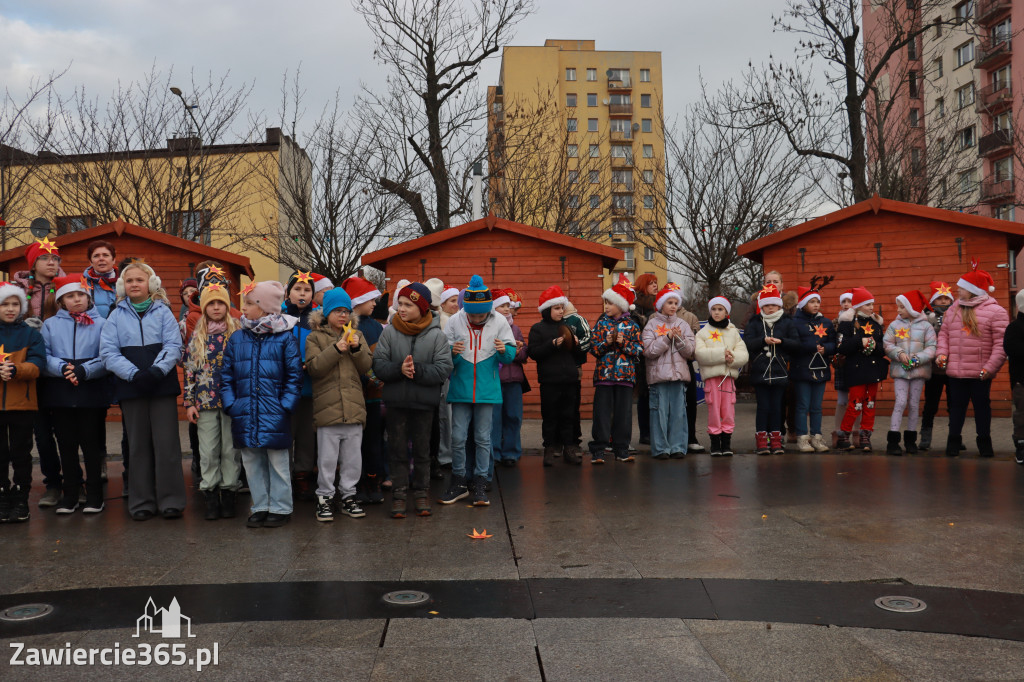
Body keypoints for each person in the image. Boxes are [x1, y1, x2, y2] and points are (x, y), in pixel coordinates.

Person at [100, 260, 186, 520]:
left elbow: (173, 345)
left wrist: (157, 371)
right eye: (129, 280)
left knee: (167, 444)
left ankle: (171, 500)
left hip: (162, 386)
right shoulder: (115, 315)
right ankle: (141, 502)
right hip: (131, 387)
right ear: (122, 286)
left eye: (139, 280)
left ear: (151, 284)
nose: (134, 284)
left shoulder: (163, 312)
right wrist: (134, 374)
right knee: (137, 446)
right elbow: (108, 352)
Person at [221, 281, 303, 528]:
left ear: (264, 308)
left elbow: (294, 376)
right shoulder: (237, 338)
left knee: (278, 464)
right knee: (252, 463)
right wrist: (232, 405)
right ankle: (260, 506)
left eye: (248, 303)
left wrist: (284, 406)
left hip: (274, 413)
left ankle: (280, 507)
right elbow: (226, 375)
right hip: (245, 412)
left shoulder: (284, 338)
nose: (243, 308)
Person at [373, 282, 452, 518]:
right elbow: (378, 365)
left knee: (422, 451)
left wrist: (415, 369)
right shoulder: (389, 332)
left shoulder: (437, 335)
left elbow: (443, 369)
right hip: (396, 402)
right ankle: (399, 495)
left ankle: (421, 492)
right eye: (400, 304)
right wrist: (399, 369)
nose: (402, 309)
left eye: (408, 305)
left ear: (422, 307)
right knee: (396, 449)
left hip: (424, 404)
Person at [441, 275, 515, 505]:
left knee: (483, 438)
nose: (476, 318)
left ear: (488, 310)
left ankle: (482, 480)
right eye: (472, 314)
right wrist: (452, 352)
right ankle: (460, 480)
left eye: (481, 315)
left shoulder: (500, 321)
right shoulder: (455, 320)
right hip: (461, 388)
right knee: (458, 437)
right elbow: (443, 355)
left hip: (487, 390)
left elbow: (511, 355)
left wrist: (504, 351)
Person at [40, 275, 110, 514]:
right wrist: (62, 368)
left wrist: (85, 369)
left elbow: (107, 356)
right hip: (60, 390)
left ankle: (95, 495)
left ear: (88, 297)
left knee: (91, 444)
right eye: (70, 296)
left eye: (80, 295)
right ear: (61, 301)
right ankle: (70, 493)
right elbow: (44, 355)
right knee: (66, 444)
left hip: (90, 389)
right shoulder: (50, 325)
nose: (76, 299)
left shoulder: (101, 324)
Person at [306, 288, 371, 522]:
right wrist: (336, 349)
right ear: (327, 313)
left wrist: (355, 348)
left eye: (346, 311)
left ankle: (348, 496)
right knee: (326, 459)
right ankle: (324, 497)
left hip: (354, 408)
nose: (342, 315)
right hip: (327, 409)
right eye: (337, 311)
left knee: (353, 459)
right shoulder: (315, 337)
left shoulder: (358, 335)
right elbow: (314, 368)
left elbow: (366, 367)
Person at [936, 264, 1009, 457]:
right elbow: (944, 334)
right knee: (956, 407)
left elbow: (1001, 344)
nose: (957, 290)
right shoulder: (953, 310)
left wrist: (990, 368)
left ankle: (984, 443)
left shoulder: (996, 312)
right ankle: (953, 441)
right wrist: (942, 354)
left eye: (961, 288)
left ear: (972, 290)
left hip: (980, 373)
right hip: (956, 372)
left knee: (982, 408)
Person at [183, 282, 242, 520]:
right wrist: (189, 403)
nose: (216, 308)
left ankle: (228, 492)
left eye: (220, 303)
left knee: (230, 450)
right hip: (205, 403)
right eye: (211, 304)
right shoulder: (197, 337)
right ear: (204, 307)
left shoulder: (237, 334)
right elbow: (189, 372)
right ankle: (210, 492)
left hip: (231, 402)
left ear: (227, 306)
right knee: (208, 451)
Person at [16, 239, 64, 508]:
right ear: (33, 264)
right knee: (42, 435)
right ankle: (53, 484)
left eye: (55, 259)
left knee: (68, 432)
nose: (52, 263)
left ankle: (74, 482)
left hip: (60, 369)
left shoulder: (67, 288)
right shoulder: (17, 291)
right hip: (31, 372)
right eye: (46, 258)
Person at [0, 283, 44, 523]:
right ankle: (2, 495)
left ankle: (20, 497)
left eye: (15, 304)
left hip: (23, 404)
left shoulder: (31, 335)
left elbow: (38, 365)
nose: (10, 309)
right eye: (5, 304)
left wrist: (16, 369)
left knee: (21, 453)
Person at [589, 274, 643, 464]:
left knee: (623, 415)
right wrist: (607, 342)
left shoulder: (632, 326)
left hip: (625, 378)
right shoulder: (601, 323)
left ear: (621, 305)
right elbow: (593, 348)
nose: (606, 307)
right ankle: (598, 450)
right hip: (603, 377)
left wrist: (624, 343)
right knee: (601, 415)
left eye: (610, 303)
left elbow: (638, 351)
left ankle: (621, 449)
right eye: (605, 303)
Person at [341, 276, 386, 504]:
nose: (374, 304)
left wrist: (376, 378)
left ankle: (373, 480)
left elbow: (379, 358)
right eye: (370, 299)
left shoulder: (376, 325)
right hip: (353, 395)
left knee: (373, 441)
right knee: (353, 443)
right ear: (357, 301)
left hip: (373, 396)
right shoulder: (347, 325)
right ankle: (355, 483)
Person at [529, 285, 582, 465]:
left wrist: (576, 345)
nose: (561, 311)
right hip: (550, 381)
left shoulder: (568, 327)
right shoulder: (538, 329)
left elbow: (579, 356)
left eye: (562, 308)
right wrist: (552, 344)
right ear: (547, 310)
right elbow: (533, 353)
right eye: (557, 308)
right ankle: (549, 449)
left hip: (569, 380)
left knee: (569, 416)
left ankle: (569, 448)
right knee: (550, 417)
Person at [642, 284, 696, 459]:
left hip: (678, 377)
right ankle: (661, 449)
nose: (673, 306)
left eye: (675, 302)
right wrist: (667, 338)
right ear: (661, 305)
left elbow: (690, 352)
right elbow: (649, 351)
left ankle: (678, 447)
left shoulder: (683, 324)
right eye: (669, 302)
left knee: (678, 414)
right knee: (659, 414)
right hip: (659, 378)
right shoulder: (651, 325)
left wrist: (679, 339)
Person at [744, 284, 799, 455]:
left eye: (773, 305)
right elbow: (747, 343)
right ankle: (762, 440)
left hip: (780, 370)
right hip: (760, 371)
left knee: (777, 407)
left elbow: (796, 344)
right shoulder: (754, 322)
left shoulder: (787, 322)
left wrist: (782, 341)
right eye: (767, 305)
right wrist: (763, 341)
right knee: (763, 407)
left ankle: (776, 439)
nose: (770, 308)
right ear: (761, 306)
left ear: (779, 305)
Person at [882, 290, 936, 456]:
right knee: (900, 402)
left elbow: (932, 347)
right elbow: (888, 344)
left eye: (902, 307)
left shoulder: (927, 327)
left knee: (913, 404)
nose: (898, 310)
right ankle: (893, 441)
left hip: (919, 371)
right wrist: (899, 354)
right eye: (898, 307)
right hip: (900, 371)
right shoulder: (894, 325)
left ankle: (911, 441)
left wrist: (917, 359)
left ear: (912, 308)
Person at [835, 287, 888, 452]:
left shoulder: (876, 324)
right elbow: (842, 347)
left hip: (873, 370)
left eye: (872, 304)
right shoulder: (846, 325)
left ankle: (866, 435)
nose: (871, 308)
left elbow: (884, 348)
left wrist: (874, 345)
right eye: (867, 304)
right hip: (856, 370)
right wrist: (861, 340)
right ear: (858, 306)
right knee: (855, 403)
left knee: (870, 403)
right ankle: (844, 434)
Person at [694, 296, 748, 456]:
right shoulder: (703, 333)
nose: (717, 312)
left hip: (728, 379)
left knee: (728, 411)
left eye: (720, 309)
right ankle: (715, 444)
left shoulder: (734, 332)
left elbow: (743, 354)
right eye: (714, 309)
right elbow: (700, 354)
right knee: (714, 412)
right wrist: (721, 355)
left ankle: (726, 444)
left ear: (726, 312)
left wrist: (733, 359)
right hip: (712, 379)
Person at [283, 270, 318, 501]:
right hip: (285, 388)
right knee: (287, 433)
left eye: (307, 290)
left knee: (307, 435)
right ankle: (283, 477)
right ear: (288, 292)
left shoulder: (318, 319)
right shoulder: (279, 315)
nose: (302, 294)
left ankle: (303, 474)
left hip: (310, 386)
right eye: (298, 289)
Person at [791, 284, 836, 453]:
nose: (816, 304)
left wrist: (827, 349)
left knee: (817, 406)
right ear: (803, 304)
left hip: (820, 369)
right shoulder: (795, 322)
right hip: (802, 369)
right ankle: (802, 438)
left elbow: (832, 342)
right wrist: (812, 346)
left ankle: (817, 436)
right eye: (812, 301)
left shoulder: (825, 322)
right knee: (803, 405)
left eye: (818, 301)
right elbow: (793, 344)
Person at [491, 289, 528, 467]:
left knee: (513, 416)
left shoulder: (515, 328)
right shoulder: (489, 328)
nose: (507, 309)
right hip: (495, 380)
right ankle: (495, 452)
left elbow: (523, 357)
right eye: (502, 306)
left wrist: (519, 350)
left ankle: (511, 452)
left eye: (507, 305)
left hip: (513, 380)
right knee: (494, 419)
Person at [919, 282, 954, 451]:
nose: (944, 301)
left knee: (954, 404)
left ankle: (955, 436)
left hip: (953, 368)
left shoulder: (958, 314)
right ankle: (925, 436)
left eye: (946, 298)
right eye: (940, 298)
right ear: (933, 299)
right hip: (933, 368)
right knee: (931, 405)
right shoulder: (926, 316)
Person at [561, 300, 592, 451]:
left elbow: (588, 339)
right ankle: (558, 440)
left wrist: (576, 345)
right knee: (558, 406)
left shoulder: (578, 320)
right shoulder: (554, 320)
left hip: (574, 368)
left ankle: (574, 440)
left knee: (573, 405)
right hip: (557, 369)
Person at [633, 274, 659, 446]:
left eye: (656, 283)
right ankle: (645, 433)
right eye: (652, 283)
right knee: (644, 396)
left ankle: (657, 431)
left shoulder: (659, 305)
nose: (656, 286)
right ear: (643, 286)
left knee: (656, 396)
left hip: (657, 356)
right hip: (641, 359)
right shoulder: (636, 308)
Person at [831, 290, 856, 447]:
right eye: (843, 301)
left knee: (857, 400)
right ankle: (838, 433)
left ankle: (857, 432)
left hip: (856, 364)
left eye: (849, 301)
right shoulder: (835, 323)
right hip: (842, 364)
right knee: (842, 401)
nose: (846, 304)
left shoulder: (859, 321)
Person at [1003, 288, 1024, 465]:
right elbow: (1012, 349)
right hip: (1021, 380)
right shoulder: (1014, 327)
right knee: (1022, 415)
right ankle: (1021, 447)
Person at [83, 240, 119, 318]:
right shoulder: (82, 284)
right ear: (90, 262)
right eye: (96, 256)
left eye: (105, 255)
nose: (101, 259)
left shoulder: (126, 281)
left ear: (113, 260)